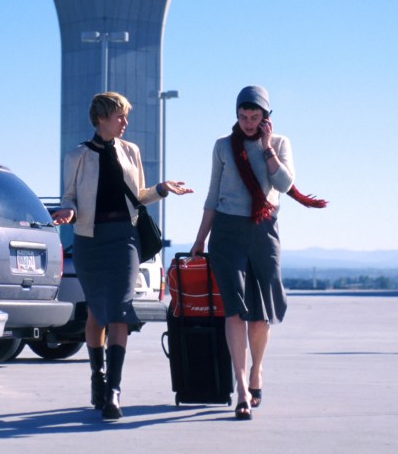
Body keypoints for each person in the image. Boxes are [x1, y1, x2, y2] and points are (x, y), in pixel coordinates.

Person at [52, 92, 192, 421]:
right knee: (97, 314)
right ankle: (97, 378)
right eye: (120, 117)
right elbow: (70, 198)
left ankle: (113, 391)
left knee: (120, 311)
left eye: (126, 117)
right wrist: (67, 214)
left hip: (124, 240)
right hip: (90, 240)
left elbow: (138, 196)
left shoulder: (132, 152)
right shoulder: (77, 156)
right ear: (101, 118)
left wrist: (161, 189)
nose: (125, 123)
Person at [190, 85, 293, 421]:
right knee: (234, 310)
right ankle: (241, 389)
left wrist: (266, 149)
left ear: (266, 118)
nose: (248, 123)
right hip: (227, 233)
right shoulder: (222, 146)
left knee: (260, 315)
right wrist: (199, 239)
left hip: (263, 231)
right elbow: (212, 195)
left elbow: (285, 185)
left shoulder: (278, 144)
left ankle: (256, 372)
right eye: (242, 116)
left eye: (254, 117)